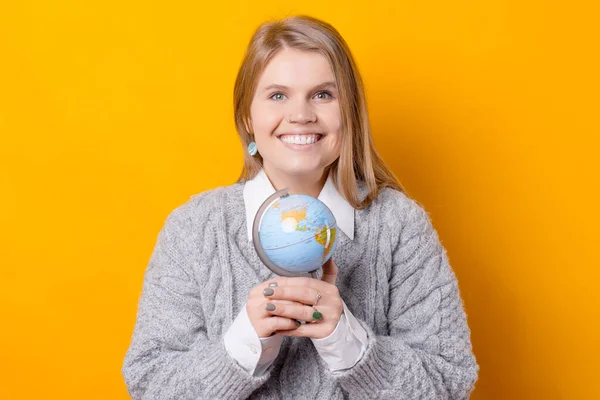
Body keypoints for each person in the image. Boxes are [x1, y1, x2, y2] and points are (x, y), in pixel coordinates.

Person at [122, 14, 479, 399]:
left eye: (323, 94)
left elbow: (448, 384)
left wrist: (347, 341)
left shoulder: (400, 225)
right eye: (277, 95)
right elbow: (150, 385)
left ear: (349, 115)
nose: (301, 114)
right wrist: (244, 344)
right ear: (247, 117)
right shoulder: (193, 229)